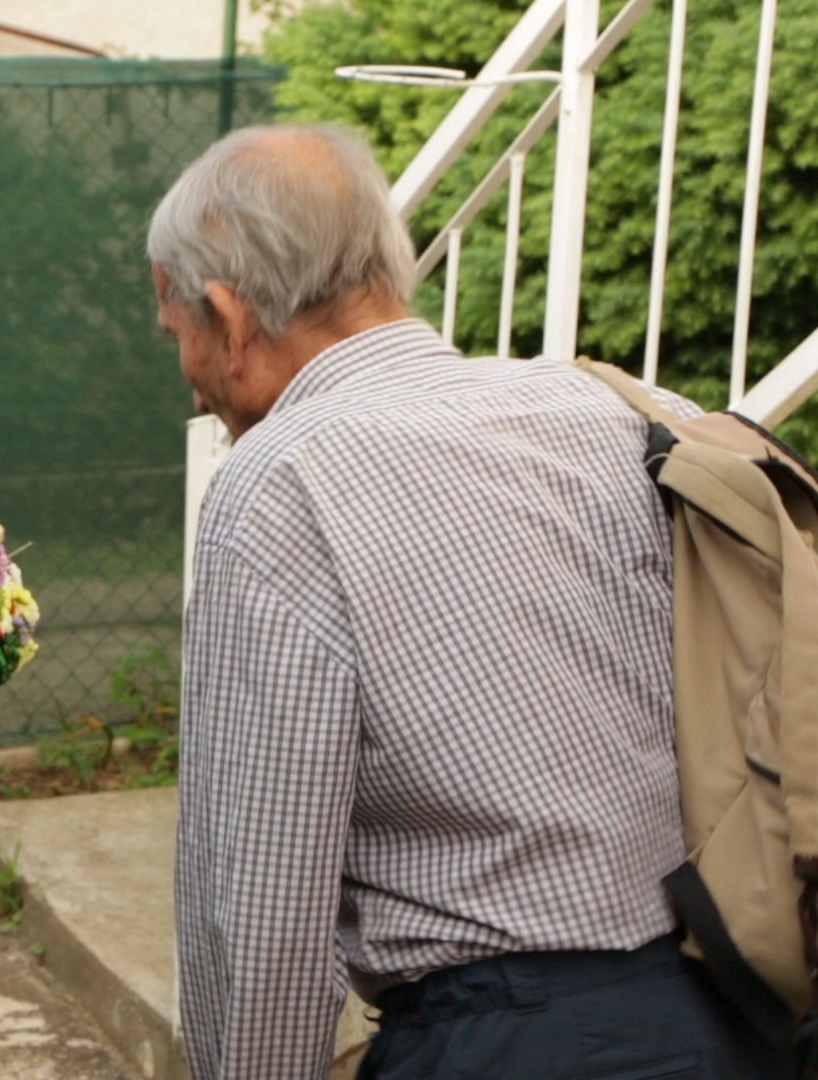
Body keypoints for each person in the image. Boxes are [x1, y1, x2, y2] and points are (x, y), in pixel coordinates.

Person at [149, 124, 784, 1078]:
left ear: (229, 315)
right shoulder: (622, 410)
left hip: (502, 1037)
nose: (196, 393)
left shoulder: (285, 479)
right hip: (737, 1007)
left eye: (179, 338)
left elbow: (262, 902)